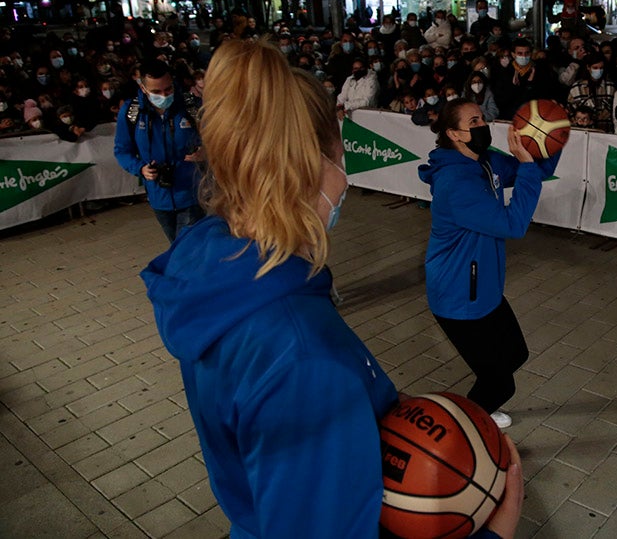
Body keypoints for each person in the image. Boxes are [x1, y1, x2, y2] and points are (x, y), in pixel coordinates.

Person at [140, 37, 525, 538]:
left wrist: (372, 404)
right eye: (340, 148)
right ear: (314, 163)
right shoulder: (303, 353)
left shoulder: (217, 260)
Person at [418, 99, 561, 428]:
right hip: (458, 298)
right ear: (454, 133)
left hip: (483, 288)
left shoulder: (483, 161)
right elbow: (513, 225)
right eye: (474, 121)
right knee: (499, 382)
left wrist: (550, 136)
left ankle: (480, 409)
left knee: (516, 355)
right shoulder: (456, 184)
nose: (483, 125)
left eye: (482, 118)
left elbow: (537, 168)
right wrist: (525, 167)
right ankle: (460, 433)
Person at [113, 60, 204, 243]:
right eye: (156, 92)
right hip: (158, 195)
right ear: (143, 88)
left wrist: (206, 152)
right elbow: (122, 150)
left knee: (186, 247)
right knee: (176, 246)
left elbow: (220, 140)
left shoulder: (192, 106)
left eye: (168, 89)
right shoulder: (132, 112)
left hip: (192, 193)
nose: (164, 95)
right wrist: (141, 169)